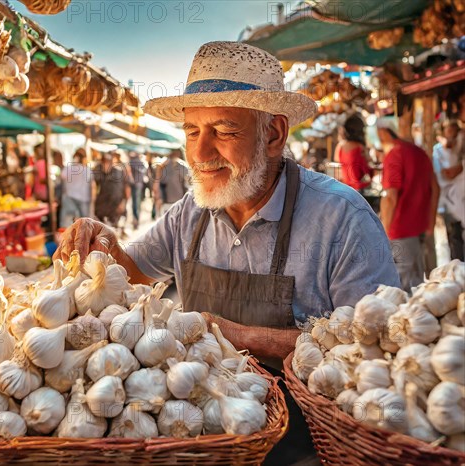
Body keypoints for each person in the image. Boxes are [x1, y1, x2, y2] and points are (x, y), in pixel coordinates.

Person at [55, 42, 400, 463]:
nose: (199, 154)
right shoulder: (189, 213)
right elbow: (133, 275)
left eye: (223, 131)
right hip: (199, 437)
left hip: (304, 445)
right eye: (192, 132)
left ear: (273, 134)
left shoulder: (342, 219)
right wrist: (104, 242)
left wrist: (230, 334)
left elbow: (371, 351)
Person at [378, 123, 439, 291]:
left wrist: (384, 232)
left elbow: (390, 197)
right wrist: (431, 223)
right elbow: (435, 188)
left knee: (404, 290)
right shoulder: (419, 152)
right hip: (421, 226)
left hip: (401, 230)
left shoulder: (394, 155)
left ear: (384, 134)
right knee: (419, 284)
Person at [433, 120, 464, 260]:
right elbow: (447, 173)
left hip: (461, 196)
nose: (451, 134)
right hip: (448, 200)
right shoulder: (438, 150)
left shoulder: (460, 148)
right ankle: (457, 266)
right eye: (448, 130)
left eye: (454, 131)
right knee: (454, 236)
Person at [335, 114, 373, 193]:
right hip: (359, 189)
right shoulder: (361, 147)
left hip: (345, 188)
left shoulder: (340, 146)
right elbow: (367, 170)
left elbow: (337, 170)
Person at [93, 151, 129, 228]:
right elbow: (93, 187)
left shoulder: (119, 172)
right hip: (101, 208)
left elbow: (126, 188)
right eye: (104, 162)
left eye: (108, 162)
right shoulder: (97, 172)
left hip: (115, 207)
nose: (106, 165)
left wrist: (123, 202)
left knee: (114, 229)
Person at [60, 149, 93, 228]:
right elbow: (92, 186)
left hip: (69, 198)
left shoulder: (68, 168)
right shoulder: (87, 170)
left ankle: (67, 239)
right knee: (84, 224)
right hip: (83, 199)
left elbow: (62, 177)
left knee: (67, 224)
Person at [154, 148, 190, 215]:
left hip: (170, 200)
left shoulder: (162, 165)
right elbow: (189, 181)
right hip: (176, 199)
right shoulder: (179, 165)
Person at [128, 151, 148, 229]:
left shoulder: (132, 162)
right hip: (139, 184)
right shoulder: (141, 163)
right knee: (137, 202)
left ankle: (135, 220)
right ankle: (136, 220)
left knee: (135, 203)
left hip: (134, 185)